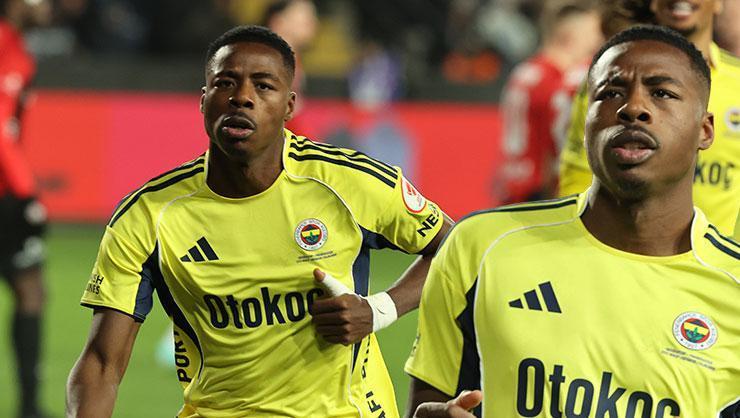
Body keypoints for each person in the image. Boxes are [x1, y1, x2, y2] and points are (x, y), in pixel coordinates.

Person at [66, 25, 452, 417]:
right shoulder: (148, 215)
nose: (242, 97)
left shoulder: (350, 183)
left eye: (263, 86)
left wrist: (380, 310)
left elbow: (455, 246)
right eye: (225, 83)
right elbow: (100, 364)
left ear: (289, 105)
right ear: (203, 100)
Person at [406, 25, 740, 417]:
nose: (633, 107)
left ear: (705, 130)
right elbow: (428, 405)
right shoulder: (480, 246)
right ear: (584, 123)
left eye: (662, 93)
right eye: (610, 93)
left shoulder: (732, 287)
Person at [558, 0, 740, 238]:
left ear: (718, 4)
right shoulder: (609, 78)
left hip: (718, 257)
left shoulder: (737, 81)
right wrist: (579, 243)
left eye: (662, 93)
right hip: (624, 249)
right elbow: (578, 173)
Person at [495, 0, 602, 204]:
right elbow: (554, 141)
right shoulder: (556, 81)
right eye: (591, 35)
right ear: (570, 36)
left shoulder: (524, 71)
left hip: (512, 177)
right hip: (537, 186)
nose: (596, 42)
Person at [0, 1, 51, 417]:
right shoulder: (5, 47)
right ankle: (29, 407)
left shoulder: (16, 46)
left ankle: (30, 406)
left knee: (30, 288)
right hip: (4, 196)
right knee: (30, 289)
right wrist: (26, 193)